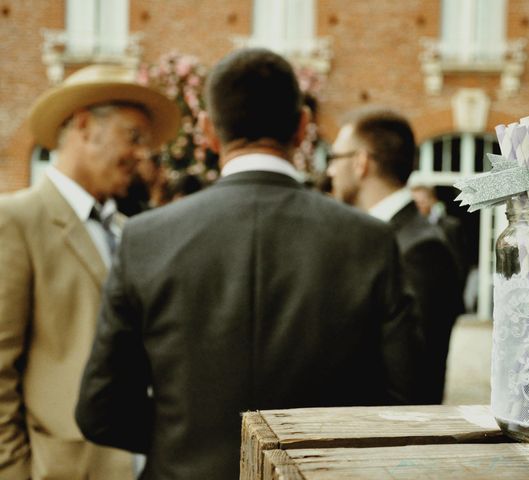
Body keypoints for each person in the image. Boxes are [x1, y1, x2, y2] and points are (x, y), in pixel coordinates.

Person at [75, 48, 418, 479]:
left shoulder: (146, 238)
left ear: (207, 131)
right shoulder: (369, 240)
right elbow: (407, 399)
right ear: (302, 128)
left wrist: (181, 434)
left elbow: (99, 409)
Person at [0, 64, 180, 479]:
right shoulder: (17, 221)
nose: (142, 154)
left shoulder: (129, 231)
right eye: (133, 137)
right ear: (83, 125)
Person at [327, 106, 464, 404]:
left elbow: (414, 375)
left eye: (335, 158)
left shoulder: (420, 248)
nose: (330, 170)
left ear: (361, 163)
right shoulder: (381, 235)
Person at [408, 172, 469, 287]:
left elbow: (460, 262)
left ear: (432, 200)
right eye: (415, 203)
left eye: (422, 202)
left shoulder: (451, 226)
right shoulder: (407, 228)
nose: (419, 207)